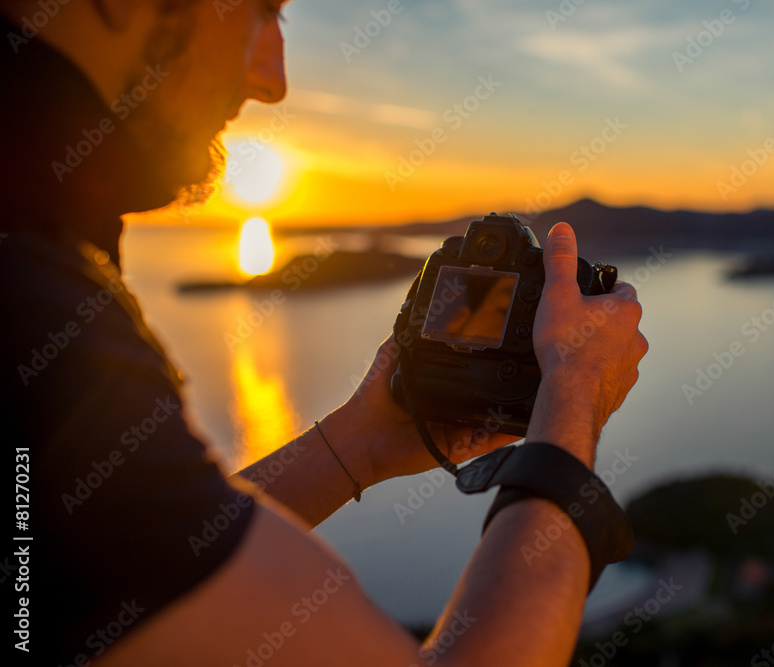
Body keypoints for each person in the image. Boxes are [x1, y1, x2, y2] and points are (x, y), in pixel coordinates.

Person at [0, 1, 647, 664]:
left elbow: (119, 557)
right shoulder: (29, 300)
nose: (273, 79)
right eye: (259, 11)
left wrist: (360, 443)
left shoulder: (35, 253)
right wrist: (573, 398)